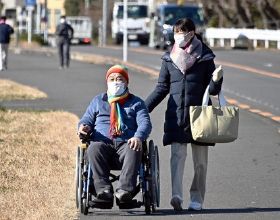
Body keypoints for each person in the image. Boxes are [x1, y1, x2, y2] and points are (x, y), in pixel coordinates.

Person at [145, 18, 223, 211]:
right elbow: (161, 88)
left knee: (200, 162)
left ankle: (197, 199)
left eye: (182, 32)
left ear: (192, 33)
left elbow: (212, 90)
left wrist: (216, 80)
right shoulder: (169, 58)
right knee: (177, 157)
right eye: (176, 32)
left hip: (200, 116)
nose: (178, 36)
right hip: (176, 115)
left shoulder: (205, 57)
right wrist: (143, 108)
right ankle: (176, 196)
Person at [78, 64, 152, 203]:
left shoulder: (136, 103)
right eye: (111, 79)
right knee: (93, 148)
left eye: (119, 79)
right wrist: (84, 127)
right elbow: (86, 119)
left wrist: (138, 137)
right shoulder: (98, 101)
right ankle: (103, 190)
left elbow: (145, 123)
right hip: (103, 143)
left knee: (135, 147)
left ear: (126, 82)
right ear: (107, 82)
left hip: (126, 144)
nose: (115, 82)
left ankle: (124, 191)